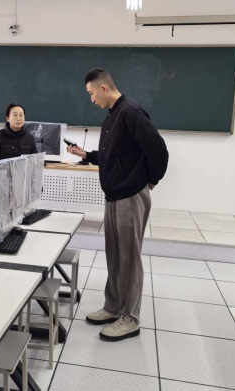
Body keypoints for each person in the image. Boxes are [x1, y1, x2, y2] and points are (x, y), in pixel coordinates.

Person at [67, 68, 169, 342]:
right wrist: (86, 154)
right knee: (115, 255)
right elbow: (113, 156)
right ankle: (113, 307)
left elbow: (158, 150)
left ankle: (130, 318)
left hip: (130, 196)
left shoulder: (131, 112)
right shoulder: (112, 116)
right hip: (113, 195)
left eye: (91, 94)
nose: (91, 100)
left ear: (103, 88)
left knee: (129, 259)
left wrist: (151, 179)